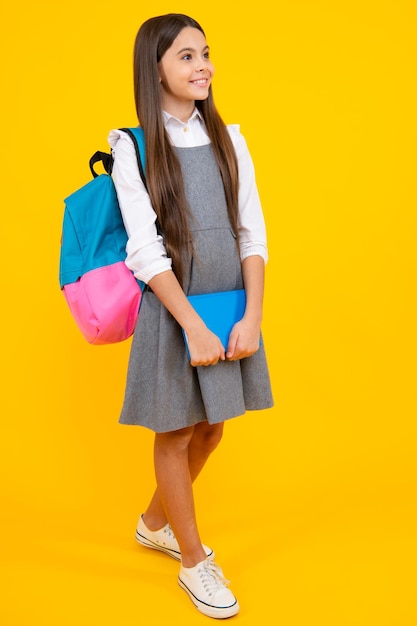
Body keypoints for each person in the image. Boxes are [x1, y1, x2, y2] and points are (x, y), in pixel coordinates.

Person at [108, 13, 274, 619]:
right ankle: (192, 561)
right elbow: (144, 250)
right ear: (154, 69)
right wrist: (192, 326)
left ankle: (156, 521)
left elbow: (250, 233)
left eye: (205, 53)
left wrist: (251, 315)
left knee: (214, 428)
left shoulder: (230, 137)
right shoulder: (132, 146)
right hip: (176, 311)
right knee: (176, 432)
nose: (202, 65)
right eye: (185, 56)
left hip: (230, 306)